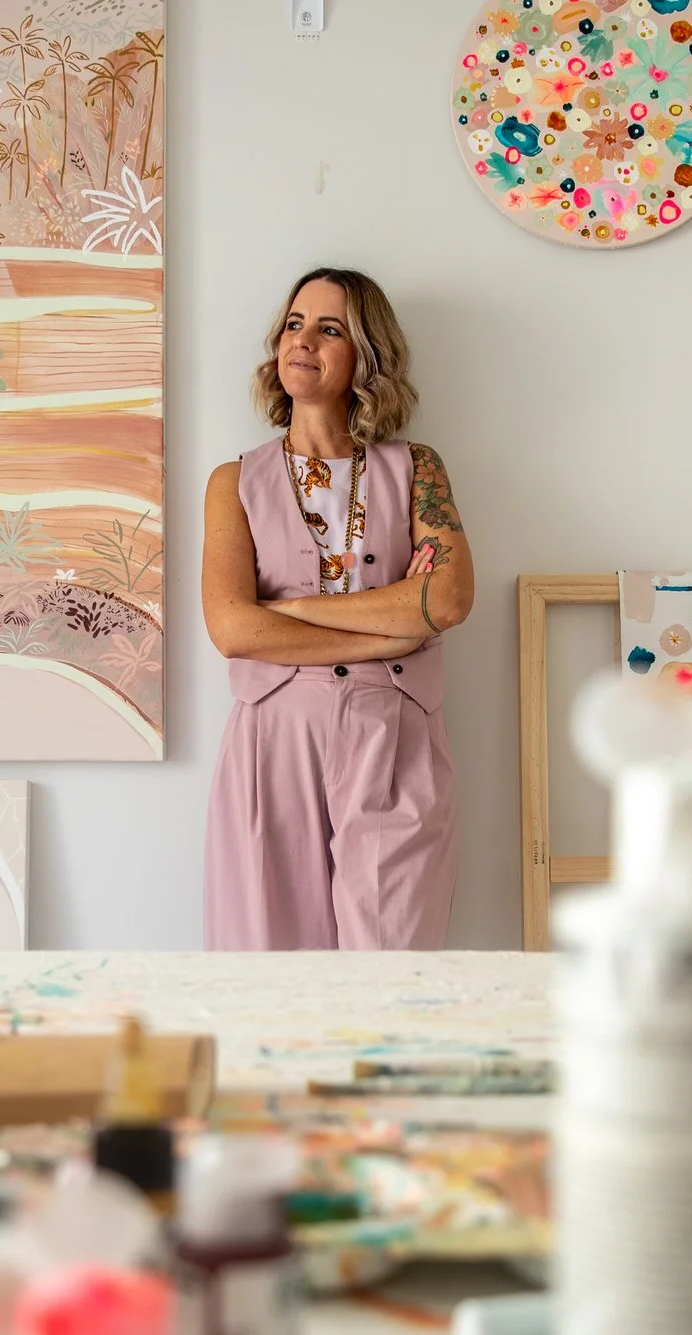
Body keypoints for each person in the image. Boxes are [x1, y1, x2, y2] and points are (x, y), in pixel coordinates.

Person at [201, 268, 474, 950]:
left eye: (330, 328)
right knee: (272, 968)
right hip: (273, 743)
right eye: (295, 324)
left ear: (366, 354)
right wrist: (390, 630)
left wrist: (287, 612)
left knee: (393, 967)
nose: (303, 341)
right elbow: (233, 627)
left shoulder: (419, 470)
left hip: (394, 737)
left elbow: (446, 598)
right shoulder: (234, 482)